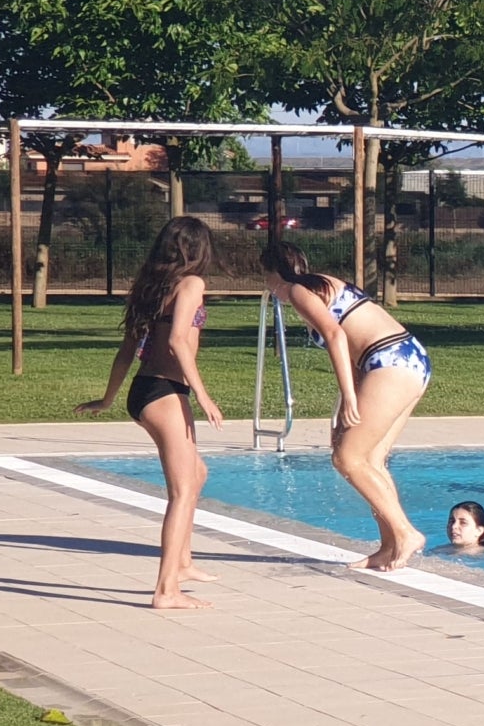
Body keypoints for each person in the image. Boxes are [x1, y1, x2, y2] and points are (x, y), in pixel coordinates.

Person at [78, 217, 226, 611]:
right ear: (198, 249)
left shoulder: (150, 286)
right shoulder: (191, 284)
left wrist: (108, 399)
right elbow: (177, 341)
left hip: (147, 389)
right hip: (165, 391)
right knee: (181, 491)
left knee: (197, 473)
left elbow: (127, 351)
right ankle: (166, 590)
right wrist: (204, 396)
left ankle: (183, 563)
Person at [262, 236, 432, 571]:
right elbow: (352, 347)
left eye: (265, 277)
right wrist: (344, 404)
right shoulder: (323, 285)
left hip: (389, 361)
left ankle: (405, 532)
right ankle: (388, 547)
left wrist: (349, 397)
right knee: (372, 459)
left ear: (273, 273)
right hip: (407, 358)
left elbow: (336, 336)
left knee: (347, 459)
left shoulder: (298, 291)